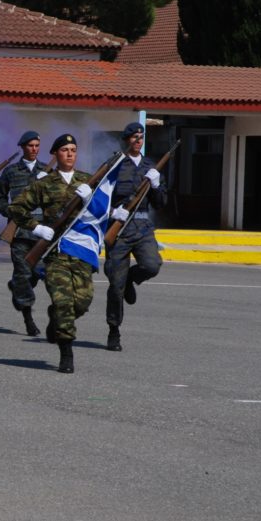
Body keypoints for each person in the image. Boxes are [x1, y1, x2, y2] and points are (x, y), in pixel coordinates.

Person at [8, 133, 93, 373]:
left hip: (82, 250)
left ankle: (55, 318)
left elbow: (102, 213)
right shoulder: (44, 184)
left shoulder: (88, 182)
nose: (70, 154)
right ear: (55, 154)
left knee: (82, 303)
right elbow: (16, 208)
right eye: (65, 150)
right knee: (64, 301)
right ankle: (66, 352)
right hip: (56, 253)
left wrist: (92, 201)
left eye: (73, 150)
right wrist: (37, 227)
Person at [103, 122, 166, 352]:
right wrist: (111, 213)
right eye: (134, 137)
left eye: (141, 136)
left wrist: (157, 186)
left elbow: (160, 204)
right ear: (126, 140)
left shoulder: (151, 166)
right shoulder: (115, 165)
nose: (138, 140)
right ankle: (114, 330)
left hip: (142, 226)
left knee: (151, 265)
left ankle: (132, 277)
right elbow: (99, 198)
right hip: (119, 228)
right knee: (115, 286)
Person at [0, 130, 51, 336]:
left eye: (37, 146)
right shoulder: (11, 172)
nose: (34, 149)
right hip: (19, 231)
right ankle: (28, 318)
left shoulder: (47, 170)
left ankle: (16, 286)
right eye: (30, 146)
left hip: (41, 231)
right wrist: (9, 212)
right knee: (24, 274)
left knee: (38, 273)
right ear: (23, 147)